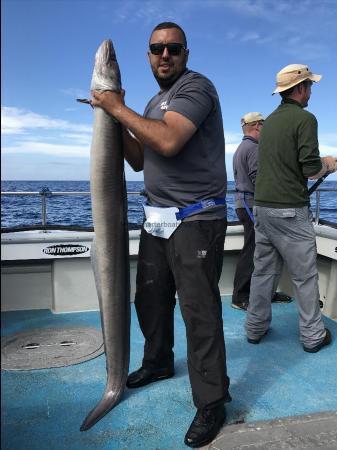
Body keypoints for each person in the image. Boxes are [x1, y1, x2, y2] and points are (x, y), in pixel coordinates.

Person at [91, 22, 231, 448]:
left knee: (198, 311)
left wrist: (117, 109)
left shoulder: (196, 89)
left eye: (172, 48)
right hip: (157, 220)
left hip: (196, 220)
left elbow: (169, 142)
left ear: (185, 53)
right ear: (149, 56)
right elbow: (139, 159)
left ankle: (212, 401)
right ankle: (157, 361)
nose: (164, 55)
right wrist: (116, 117)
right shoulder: (152, 103)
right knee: (148, 298)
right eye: (156, 49)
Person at [245, 64, 337, 352]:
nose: (311, 92)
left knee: (263, 273)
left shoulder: (269, 122)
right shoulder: (305, 119)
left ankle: (255, 327)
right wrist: (329, 164)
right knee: (305, 277)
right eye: (309, 86)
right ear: (298, 88)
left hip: (262, 208)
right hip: (289, 211)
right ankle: (312, 337)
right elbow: (310, 168)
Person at [232, 112, 293, 311]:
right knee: (252, 252)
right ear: (258, 126)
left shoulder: (241, 148)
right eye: (264, 125)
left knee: (260, 251)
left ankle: (263, 292)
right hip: (251, 206)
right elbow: (261, 181)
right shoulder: (255, 149)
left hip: (244, 204)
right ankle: (240, 297)